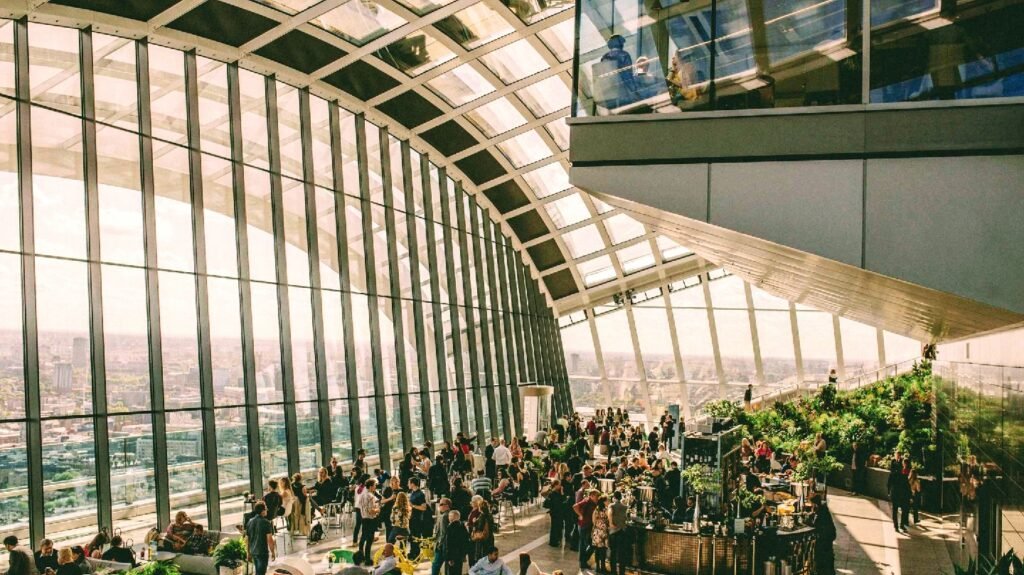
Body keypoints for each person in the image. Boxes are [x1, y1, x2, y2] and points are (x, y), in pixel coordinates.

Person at [246, 501, 277, 575]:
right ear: (262, 511)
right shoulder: (266, 522)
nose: (267, 510)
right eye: (266, 509)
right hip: (262, 553)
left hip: (253, 552)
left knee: (258, 572)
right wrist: (273, 552)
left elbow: (248, 539)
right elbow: (269, 540)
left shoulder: (250, 522)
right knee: (261, 573)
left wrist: (248, 553)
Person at [573, 489, 600, 570]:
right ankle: (583, 562)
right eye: (597, 496)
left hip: (589, 525)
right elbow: (575, 506)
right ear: (591, 495)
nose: (598, 498)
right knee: (585, 544)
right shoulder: (587, 501)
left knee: (590, 544)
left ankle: (583, 561)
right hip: (584, 525)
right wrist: (580, 515)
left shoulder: (594, 503)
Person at [357, 479, 382, 565]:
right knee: (369, 539)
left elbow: (360, 506)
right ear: (371, 486)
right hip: (370, 520)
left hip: (364, 518)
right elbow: (371, 511)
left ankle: (360, 556)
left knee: (363, 538)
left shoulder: (362, 495)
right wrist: (378, 510)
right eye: (374, 485)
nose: (375, 487)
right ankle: (367, 559)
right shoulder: (371, 496)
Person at [811, 494, 837, 575]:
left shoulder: (820, 511)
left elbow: (816, 525)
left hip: (824, 538)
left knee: (822, 557)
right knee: (828, 555)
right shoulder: (823, 509)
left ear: (815, 504)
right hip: (829, 536)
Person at [542, 480, 570, 547]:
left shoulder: (557, 492)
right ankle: (554, 542)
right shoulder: (553, 493)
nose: (560, 486)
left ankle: (557, 540)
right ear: (555, 485)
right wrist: (562, 494)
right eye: (559, 485)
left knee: (558, 526)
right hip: (555, 512)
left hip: (558, 512)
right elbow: (560, 501)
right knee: (555, 527)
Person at [608, 492, 628, 575]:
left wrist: (611, 523)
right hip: (622, 531)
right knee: (622, 553)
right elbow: (626, 517)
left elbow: (610, 513)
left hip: (614, 532)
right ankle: (622, 572)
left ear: (614, 497)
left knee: (613, 552)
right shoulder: (625, 507)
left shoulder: (611, 505)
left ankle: (613, 572)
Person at [444, 510, 470, 575]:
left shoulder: (450, 527)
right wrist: (464, 555)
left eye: (450, 516)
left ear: (453, 517)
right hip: (460, 555)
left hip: (452, 556)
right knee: (458, 571)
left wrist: (449, 558)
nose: (448, 518)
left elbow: (448, 544)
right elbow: (466, 542)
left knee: (450, 572)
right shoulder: (462, 527)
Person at [889, 458, 912, 532]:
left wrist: (889, 493)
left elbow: (888, 485)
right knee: (904, 510)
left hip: (895, 494)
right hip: (902, 495)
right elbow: (907, 486)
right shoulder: (903, 476)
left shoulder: (892, 475)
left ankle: (896, 526)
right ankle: (901, 525)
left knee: (895, 510)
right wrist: (910, 496)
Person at [431, 499, 452, 575]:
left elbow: (443, 532)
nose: (439, 506)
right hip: (447, 544)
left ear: (447, 506)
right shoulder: (449, 514)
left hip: (442, 544)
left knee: (435, 565)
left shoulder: (444, 516)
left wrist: (439, 544)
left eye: (441, 504)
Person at [591, 496, 610, 573]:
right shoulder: (606, 510)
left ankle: (598, 567)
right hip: (604, 532)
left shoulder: (596, 510)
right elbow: (609, 520)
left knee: (597, 550)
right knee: (603, 550)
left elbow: (593, 521)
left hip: (596, 531)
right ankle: (603, 568)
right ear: (604, 502)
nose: (608, 502)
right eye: (607, 500)